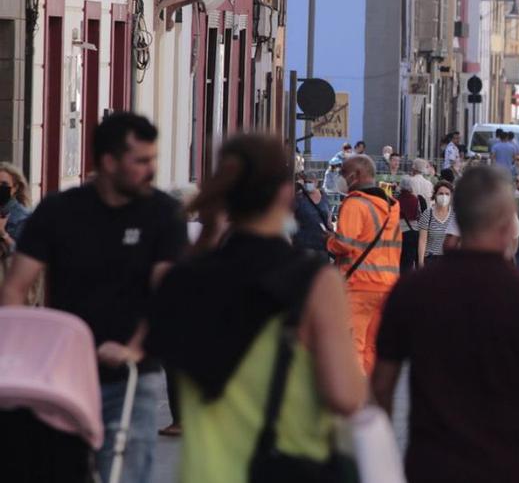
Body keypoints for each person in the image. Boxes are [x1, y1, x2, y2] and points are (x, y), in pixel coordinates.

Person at [144, 134, 367, 483]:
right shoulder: (314, 282)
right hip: (290, 466)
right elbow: (347, 395)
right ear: (284, 195)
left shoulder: (178, 280)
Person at [0, 112, 188, 483]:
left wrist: (135, 348)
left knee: (124, 471)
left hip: (132, 373)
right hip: (63, 374)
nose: (151, 169)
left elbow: (166, 291)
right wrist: (18, 354)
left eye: (153, 159)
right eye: (141, 161)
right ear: (108, 161)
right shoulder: (60, 212)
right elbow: (15, 287)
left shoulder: (163, 214)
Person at [371, 165, 519, 483]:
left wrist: (380, 468)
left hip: (432, 467)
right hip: (510, 469)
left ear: (459, 215)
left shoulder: (412, 292)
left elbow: (381, 388)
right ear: (505, 220)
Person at [327, 154, 401, 374]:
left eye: (343, 173)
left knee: (353, 347)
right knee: (372, 347)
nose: (340, 177)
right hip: (387, 287)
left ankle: (354, 398)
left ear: (356, 175)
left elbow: (344, 244)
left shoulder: (355, 203)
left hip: (359, 287)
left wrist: (328, 241)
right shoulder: (390, 207)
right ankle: (368, 395)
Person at [415, 181, 460, 263]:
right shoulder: (428, 214)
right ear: (435, 195)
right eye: (441, 193)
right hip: (431, 259)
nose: (444, 196)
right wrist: (421, 263)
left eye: (447, 194)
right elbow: (422, 241)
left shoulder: (455, 215)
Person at [291, 171, 332, 254]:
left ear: (316, 182)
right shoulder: (299, 198)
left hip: (322, 244)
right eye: (305, 182)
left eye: (310, 182)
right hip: (303, 244)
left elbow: (328, 213)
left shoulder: (324, 196)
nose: (307, 184)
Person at [0, 162, 31, 257]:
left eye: (4, 184)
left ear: (15, 188)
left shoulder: (22, 218)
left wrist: (3, 233)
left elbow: (27, 255)